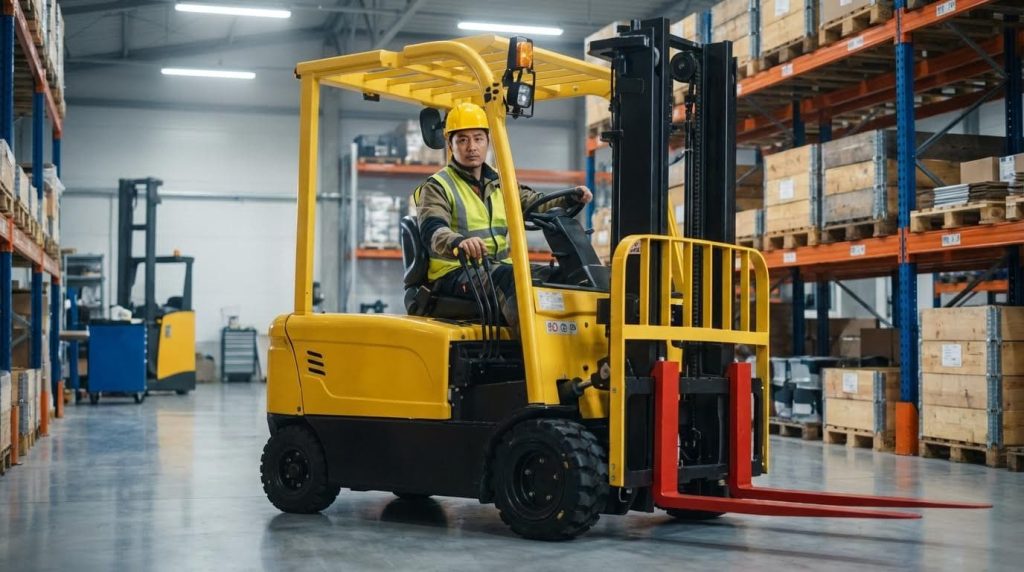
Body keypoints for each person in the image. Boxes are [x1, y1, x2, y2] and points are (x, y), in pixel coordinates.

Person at [414, 102, 592, 328]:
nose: (471, 147)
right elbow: (433, 230)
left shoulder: (501, 181)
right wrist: (458, 242)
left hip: (496, 266)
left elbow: (535, 203)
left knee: (561, 276)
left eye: (478, 138)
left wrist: (569, 198)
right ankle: (532, 356)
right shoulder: (438, 185)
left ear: (488, 141)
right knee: (513, 280)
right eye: (462, 140)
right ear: (450, 144)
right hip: (456, 272)